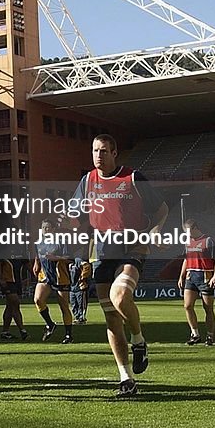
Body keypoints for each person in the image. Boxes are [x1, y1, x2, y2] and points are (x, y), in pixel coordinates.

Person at [70, 134, 168, 398]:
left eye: (103, 151)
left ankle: (139, 339)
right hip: (101, 252)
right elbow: (76, 215)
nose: (98, 156)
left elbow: (162, 209)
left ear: (115, 153)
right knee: (111, 317)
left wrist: (157, 230)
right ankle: (126, 378)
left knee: (120, 295)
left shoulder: (134, 178)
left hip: (132, 247)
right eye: (94, 151)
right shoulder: (87, 181)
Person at [177, 218, 215, 346]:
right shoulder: (187, 242)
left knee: (208, 308)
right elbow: (186, 259)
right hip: (191, 276)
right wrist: (181, 276)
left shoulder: (208, 241)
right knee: (187, 306)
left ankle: (210, 336)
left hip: (205, 275)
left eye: (189, 231)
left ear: (196, 228)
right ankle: (195, 334)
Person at [33, 219, 75, 344]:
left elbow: (70, 259)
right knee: (38, 300)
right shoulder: (38, 243)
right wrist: (36, 263)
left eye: (48, 227)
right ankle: (50, 324)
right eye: (44, 227)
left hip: (60, 276)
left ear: (53, 229)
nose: (46, 230)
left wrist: (56, 258)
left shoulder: (61, 241)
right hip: (45, 276)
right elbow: (38, 255)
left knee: (64, 306)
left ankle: (68, 335)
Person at [0, 258, 28, 340]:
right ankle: (22, 330)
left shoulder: (21, 251)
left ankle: (5, 332)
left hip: (17, 282)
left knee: (10, 307)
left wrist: (28, 278)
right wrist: (1, 278)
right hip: (8, 282)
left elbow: (27, 264)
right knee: (15, 303)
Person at [69, 256, 92, 324]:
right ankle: (76, 317)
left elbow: (87, 266)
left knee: (81, 304)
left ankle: (81, 318)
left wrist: (82, 277)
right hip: (72, 287)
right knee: (73, 303)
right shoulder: (67, 261)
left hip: (80, 287)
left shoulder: (78, 260)